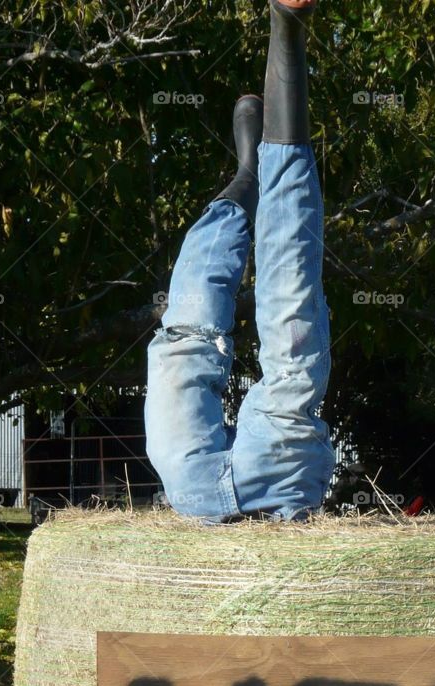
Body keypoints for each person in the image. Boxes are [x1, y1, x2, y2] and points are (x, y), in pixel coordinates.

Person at [145, 0, 334, 523]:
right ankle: (287, 44)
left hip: (195, 487)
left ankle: (244, 185)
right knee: (291, 318)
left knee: (184, 340)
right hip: (281, 484)